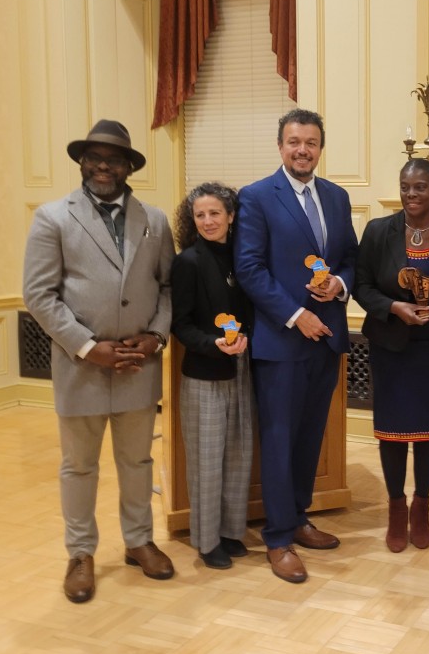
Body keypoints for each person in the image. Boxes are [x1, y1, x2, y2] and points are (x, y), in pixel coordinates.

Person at [23, 119, 176, 604]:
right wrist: (89, 346)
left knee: (137, 460)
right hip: (81, 366)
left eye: (114, 158)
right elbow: (39, 295)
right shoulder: (52, 218)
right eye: (95, 156)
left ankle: (138, 541)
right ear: (83, 162)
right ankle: (81, 554)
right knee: (79, 466)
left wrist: (155, 337)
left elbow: (168, 287)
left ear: (130, 166)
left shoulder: (154, 219)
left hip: (138, 364)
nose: (104, 165)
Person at [234, 108, 358, 584]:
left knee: (311, 436)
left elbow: (349, 257)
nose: (302, 149)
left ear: (320, 148)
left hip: (325, 340)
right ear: (280, 146)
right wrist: (296, 314)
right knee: (281, 438)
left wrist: (339, 287)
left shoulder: (337, 197)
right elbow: (249, 269)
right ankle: (279, 537)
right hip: (282, 340)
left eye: (310, 142)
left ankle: (301, 517)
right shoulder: (258, 197)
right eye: (293, 141)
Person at [353, 159, 429, 552]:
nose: (411, 195)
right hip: (390, 345)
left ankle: (421, 507)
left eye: (420, 187)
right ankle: (395, 508)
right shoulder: (377, 231)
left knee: (428, 431)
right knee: (391, 431)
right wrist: (394, 308)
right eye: (405, 187)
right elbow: (361, 285)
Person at [171, 182, 255, 570]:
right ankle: (206, 542)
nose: (208, 221)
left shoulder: (243, 258)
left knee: (237, 456)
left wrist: (245, 340)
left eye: (215, 213)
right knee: (207, 461)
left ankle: (229, 532)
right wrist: (211, 344)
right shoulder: (188, 261)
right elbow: (181, 325)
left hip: (240, 369)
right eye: (200, 215)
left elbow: (251, 311)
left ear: (231, 216)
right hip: (204, 373)